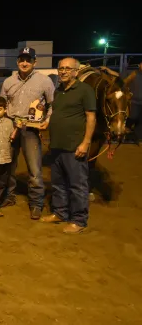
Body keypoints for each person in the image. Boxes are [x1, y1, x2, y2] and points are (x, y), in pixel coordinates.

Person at [41, 57, 96, 234]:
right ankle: (60, 213)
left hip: (74, 146)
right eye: (61, 68)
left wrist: (85, 143)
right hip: (57, 145)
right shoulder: (59, 91)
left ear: (76, 71)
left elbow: (91, 117)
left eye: (67, 68)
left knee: (77, 184)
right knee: (58, 183)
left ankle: (79, 220)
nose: (63, 71)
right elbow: (57, 113)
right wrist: (47, 122)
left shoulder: (84, 90)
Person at [0, 47, 55, 219]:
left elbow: (52, 105)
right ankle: (9, 196)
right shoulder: (8, 81)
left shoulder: (45, 81)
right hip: (11, 125)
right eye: (22, 60)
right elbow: (2, 104)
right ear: (17, 62)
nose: (24, 63)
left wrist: (47, 120)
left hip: (31, 128)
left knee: (34, 168)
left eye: (28, 60)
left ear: (34, 62)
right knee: (8, 164)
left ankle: (36, 203)